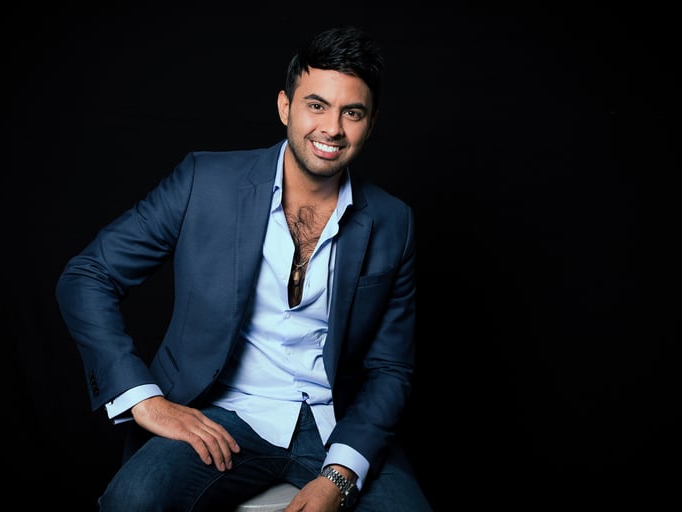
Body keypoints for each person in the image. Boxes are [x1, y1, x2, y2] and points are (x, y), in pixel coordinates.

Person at [56, 25, 432, 511]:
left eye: (352, 113)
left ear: (371, 122)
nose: (333, 128)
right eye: (316, 105)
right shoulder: (204, 182)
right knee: (133, 500)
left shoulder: (392, 221)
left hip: (338, 425)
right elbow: (87, 276)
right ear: (285, 107)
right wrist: (141, 397)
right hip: (224, 413)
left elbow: (390, 369)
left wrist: (338, 477)